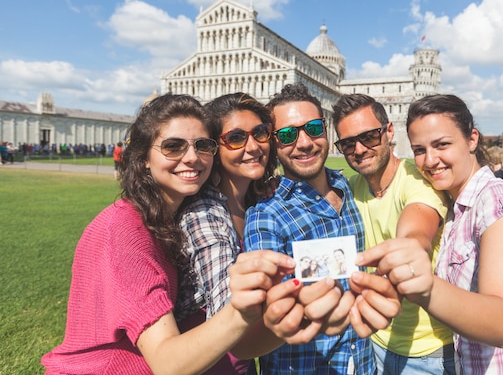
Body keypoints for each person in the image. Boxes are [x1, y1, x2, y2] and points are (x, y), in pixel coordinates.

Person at [42, 93, 296, 375]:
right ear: (144, 159)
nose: (191, 158)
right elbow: (167, 364)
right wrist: (245, 311)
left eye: (202, 145)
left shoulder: (164, 220)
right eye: (173, 147)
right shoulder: (124, 229)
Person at [356, 94, 503, 374]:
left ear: (472, 139)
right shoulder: (455, 207)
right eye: (419, 150)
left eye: (442, 144)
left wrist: (425, 287)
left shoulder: (497, 201)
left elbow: (501, 323)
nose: (430, 160)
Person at [244, 83, 400, 375]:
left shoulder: (350, 187)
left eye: (313, 128)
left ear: (326, 131)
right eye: (288, 135)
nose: (304, 143)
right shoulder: (266, 216)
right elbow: (264, 318)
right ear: (274, 145)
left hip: (365, 365)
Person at [332, 93, 454, 375]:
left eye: (370, 137)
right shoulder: (351, 188)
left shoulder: (416, 181)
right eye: (348, 143)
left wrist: (410, 249)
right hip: (372, 343)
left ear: (389, 132)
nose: (359, 149)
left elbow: (416, 233)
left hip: (427, 352)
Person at [174, 92, 280, 374]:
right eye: (235, 138)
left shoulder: (256, 200)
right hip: (210, 363)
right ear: (214, 150)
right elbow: (230, 313)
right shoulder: (204, 214)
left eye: (260, 133)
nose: (253, 146)